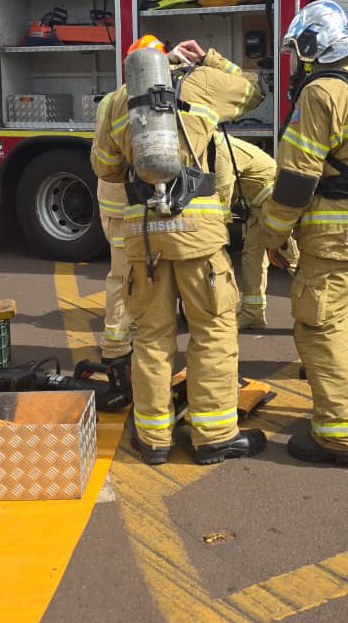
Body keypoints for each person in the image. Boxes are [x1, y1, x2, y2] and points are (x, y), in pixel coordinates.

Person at [90, 35, 266, 466]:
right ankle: (214, 435)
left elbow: (105, 167)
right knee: (212, 332)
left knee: (150, 337)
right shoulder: (203, 83)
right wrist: (211, 57)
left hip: (144, 237)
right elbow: (254, 91)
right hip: (198, 237)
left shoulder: (117, 101)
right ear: (172, 57)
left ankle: (153, 439)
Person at [260, 0, 348, 467]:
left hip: (335, 236)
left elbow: (297, 177)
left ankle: (339, 435)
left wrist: (273, 234)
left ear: (314, 47)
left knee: (321, 328)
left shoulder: (322, 92)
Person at [213, 133, 299, 329]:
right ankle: (253, 314)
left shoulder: (220, 151)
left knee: (291, 259)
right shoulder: (214, 148)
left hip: (272, 205)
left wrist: (216, 234)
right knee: (252, 258)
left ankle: (317, 315)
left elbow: (222, 195)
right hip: (258, 205)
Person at [94, 94, 135, 365]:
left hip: (114, 200)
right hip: (123, 203)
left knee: (128, 275)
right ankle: (114, 346)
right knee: (122, 277)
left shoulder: (110, 99)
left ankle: (121, 339)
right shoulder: (131, 102)